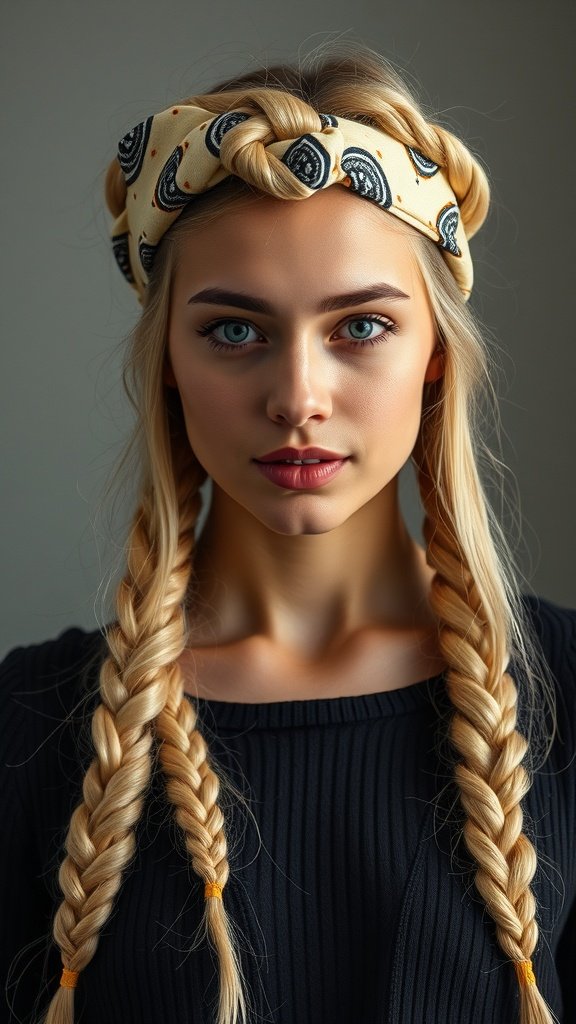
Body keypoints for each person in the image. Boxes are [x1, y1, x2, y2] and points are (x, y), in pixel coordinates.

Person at [1, 44, 574, 1024]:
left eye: (360, 327)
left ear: (434, 352)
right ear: (169, 360)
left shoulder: (566, 693)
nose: (297, 398)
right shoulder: (25, 728)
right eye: (235, 330)